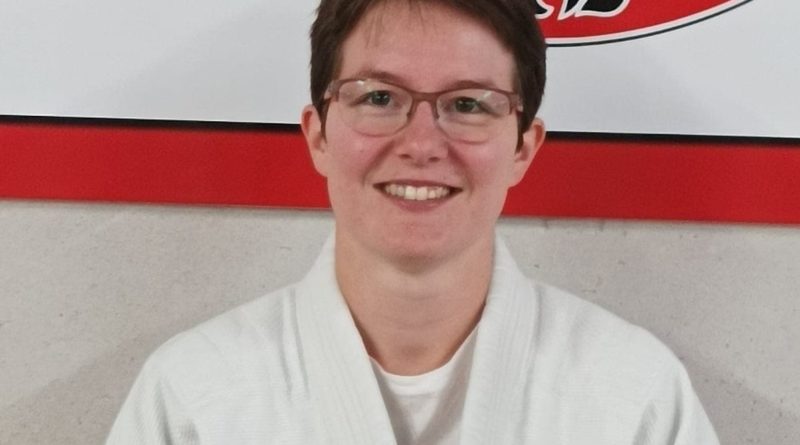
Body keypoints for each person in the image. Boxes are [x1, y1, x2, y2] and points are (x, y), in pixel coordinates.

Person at [107, 0, 720, 443]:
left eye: (468, 104)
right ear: (318, 136)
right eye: (379, 97)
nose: (422, 143)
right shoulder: (193, 395)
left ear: (522, 149)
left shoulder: (633, 395)